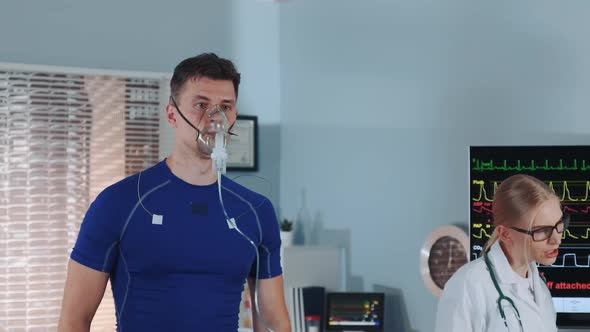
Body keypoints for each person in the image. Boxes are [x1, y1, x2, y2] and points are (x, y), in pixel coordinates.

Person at [58, 53, 291, 332]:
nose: (214, 118)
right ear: (172, 114)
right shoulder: (119, 203)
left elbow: (274, 321)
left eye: (225, 107)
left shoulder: (255, 211)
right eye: (201, 104)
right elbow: (74, 320)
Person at [435, 174, 565, 332]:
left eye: (559, 224)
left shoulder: (539, 288)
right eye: (542, 231)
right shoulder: (467, 286)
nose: (556, 239)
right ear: (505, 234)